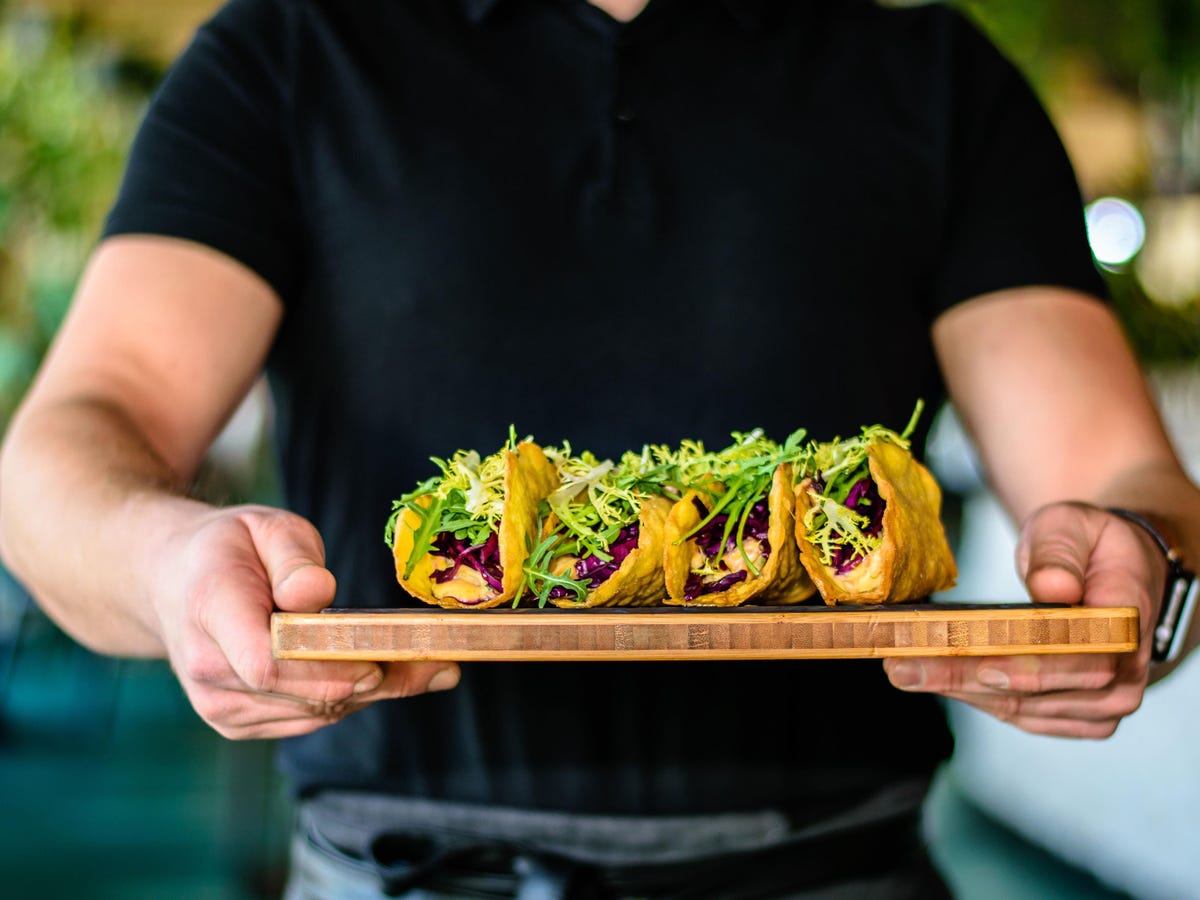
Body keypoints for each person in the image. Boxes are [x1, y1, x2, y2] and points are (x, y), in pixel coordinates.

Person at [1, 0, 1196, 896]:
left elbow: (1120, 482)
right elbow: (75, 435)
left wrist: (1137, 563)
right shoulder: (290, 53)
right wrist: (167, 564)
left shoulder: (935, 79)